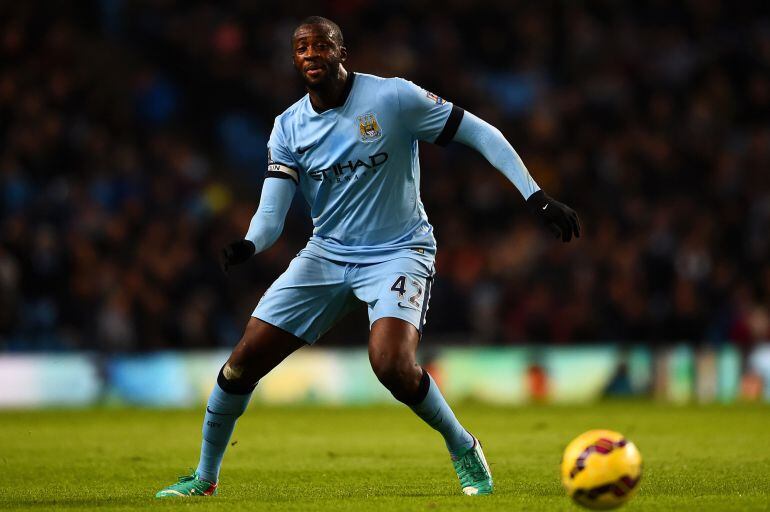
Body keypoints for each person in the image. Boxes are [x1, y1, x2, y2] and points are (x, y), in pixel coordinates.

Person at [156, 16, 580, 498]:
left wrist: (537, 197)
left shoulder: (393, 98)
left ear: (342, 51)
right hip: (327, 253)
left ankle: (463, 447)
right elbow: (271, 215)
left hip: (400, 252)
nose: (311, 54)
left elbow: (481, 133)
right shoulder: (288, 127)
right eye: (301, 48)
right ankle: (205, 479)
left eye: (321, 45)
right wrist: (250, 243)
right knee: (239, 366)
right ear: (295, 60)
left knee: (392, 365)